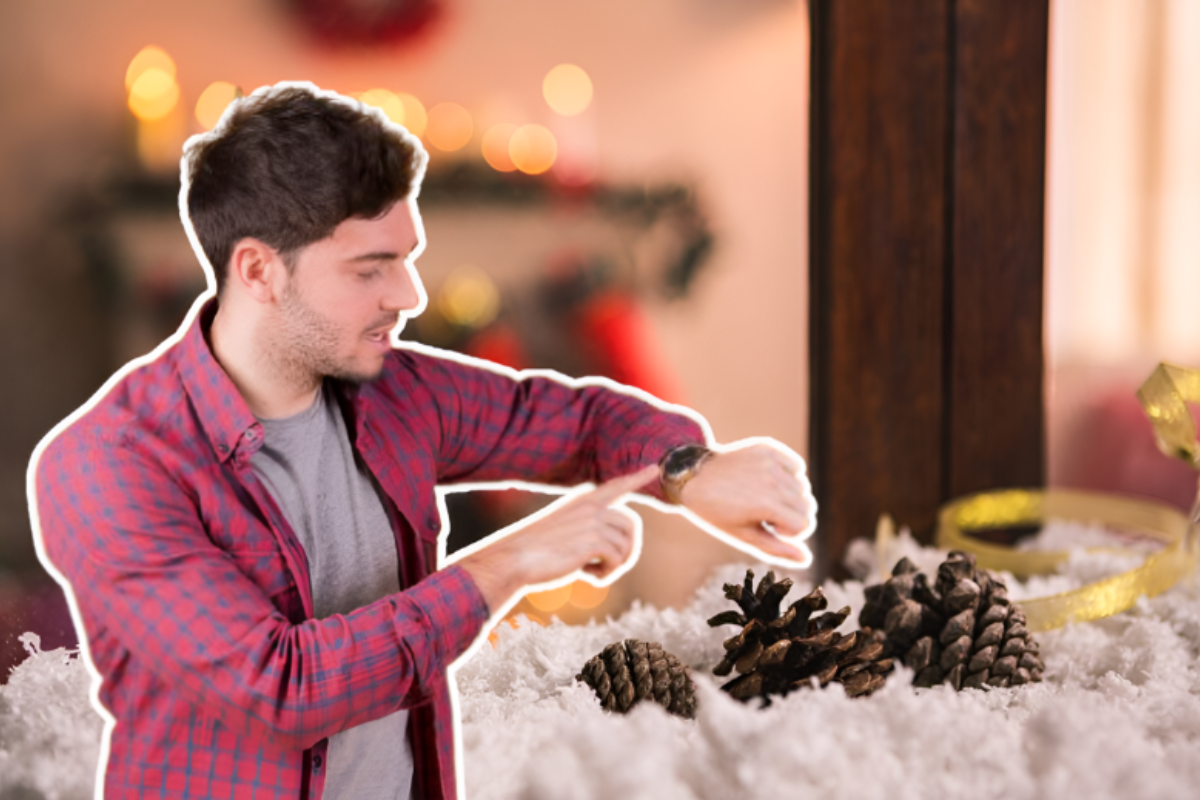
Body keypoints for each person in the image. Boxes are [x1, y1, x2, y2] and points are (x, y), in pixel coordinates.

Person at [29, 83, 815, 800]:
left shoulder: (398, 392)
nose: (409, 296)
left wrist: (691, 470)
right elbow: (280, 692)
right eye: (372, 269)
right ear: (259, 271)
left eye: (406, 259)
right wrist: (509, 563)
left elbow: (579, 421)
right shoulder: (106, 465)